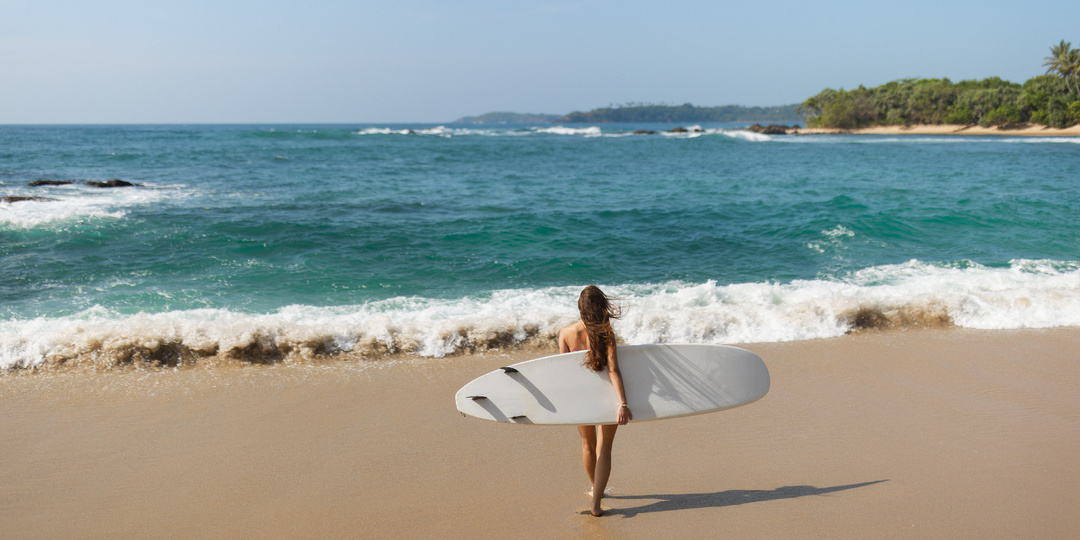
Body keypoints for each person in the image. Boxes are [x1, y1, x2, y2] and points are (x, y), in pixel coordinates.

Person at [557, 285, 632, 517]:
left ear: (581, 309)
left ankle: (594, 489)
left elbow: (563, 372)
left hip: (581, 399)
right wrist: (622, 403)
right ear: (601, 308)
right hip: (606, 398)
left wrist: (565, 404)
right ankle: (596, 503)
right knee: (604, 449)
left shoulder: (565, 333)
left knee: (587, 445)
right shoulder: (606, 334)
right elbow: (614, 371)